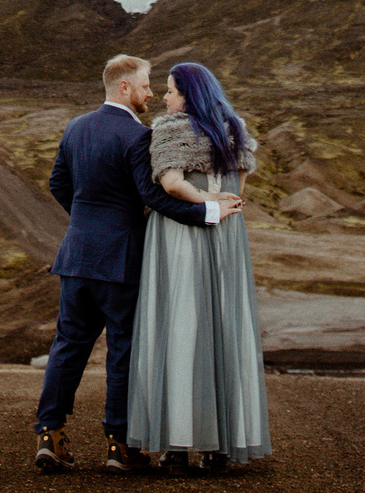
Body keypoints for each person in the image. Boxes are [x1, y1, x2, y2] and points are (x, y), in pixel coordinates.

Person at [34, 53, 242, 475]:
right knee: (123, 353)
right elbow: (155, 197)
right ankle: (119, 447)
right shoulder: (137, 136)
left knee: (67, 347)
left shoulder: (76, 127)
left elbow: (59, 183)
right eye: (147, 84)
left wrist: (88, 223)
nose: (151, 93)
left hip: (76, 257)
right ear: (124, 87)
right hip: (121, 261)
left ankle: (49, 436)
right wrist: (208, 212)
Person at [126, 61, 271, 471]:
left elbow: (171, 184)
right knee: (223, 330)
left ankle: (176, 445)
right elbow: (238, 189)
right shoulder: (234, 128)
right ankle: (219, 447)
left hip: (180, 239)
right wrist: (221, 203)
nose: (166, 98)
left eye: (170, 91)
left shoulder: (171, 129)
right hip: (227, 241)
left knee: (180, 330)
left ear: (187, 94)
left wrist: (203, 205)